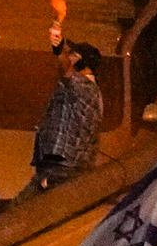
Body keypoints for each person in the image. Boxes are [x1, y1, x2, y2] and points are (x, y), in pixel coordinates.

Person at [34, 40, 106, 186]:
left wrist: (59, 48)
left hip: (64, 171)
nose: (69, 57)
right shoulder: (80, 88)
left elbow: (65, 69)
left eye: (72, 54)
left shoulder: (85, 87)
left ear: (80, 61)